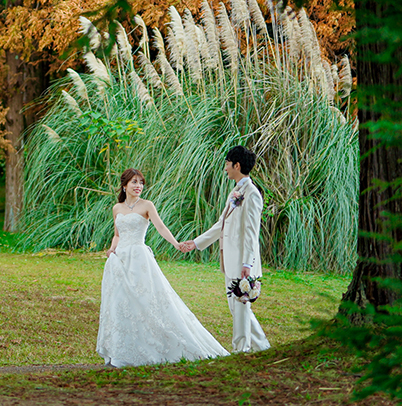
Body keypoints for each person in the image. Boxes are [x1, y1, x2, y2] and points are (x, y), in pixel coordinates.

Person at [96, 168, 228, 367]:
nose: (138, 186)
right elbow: (117, 234)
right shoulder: (117, 208)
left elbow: (161, 227)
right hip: (120, 260)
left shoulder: (147, 205)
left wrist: (176, 244)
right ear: (124, 185)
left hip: (139, 259)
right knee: (121, 303)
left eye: (141, 182)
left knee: (146, 301)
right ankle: (122, 353)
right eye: (134, 182)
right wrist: (112, 249)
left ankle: (156, 346)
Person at [181, 145, 271, 354]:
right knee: (237, 307)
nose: (225, 168)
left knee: (240, 307)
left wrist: (247, 263)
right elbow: (221, 224)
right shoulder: (236, 191)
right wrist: (196, 243)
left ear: (237, 165)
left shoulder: (251, 194)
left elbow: (251, 232)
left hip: (242, 262)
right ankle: (262, 347)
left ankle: (241, 349)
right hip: (230, 259)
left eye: (227, 164)